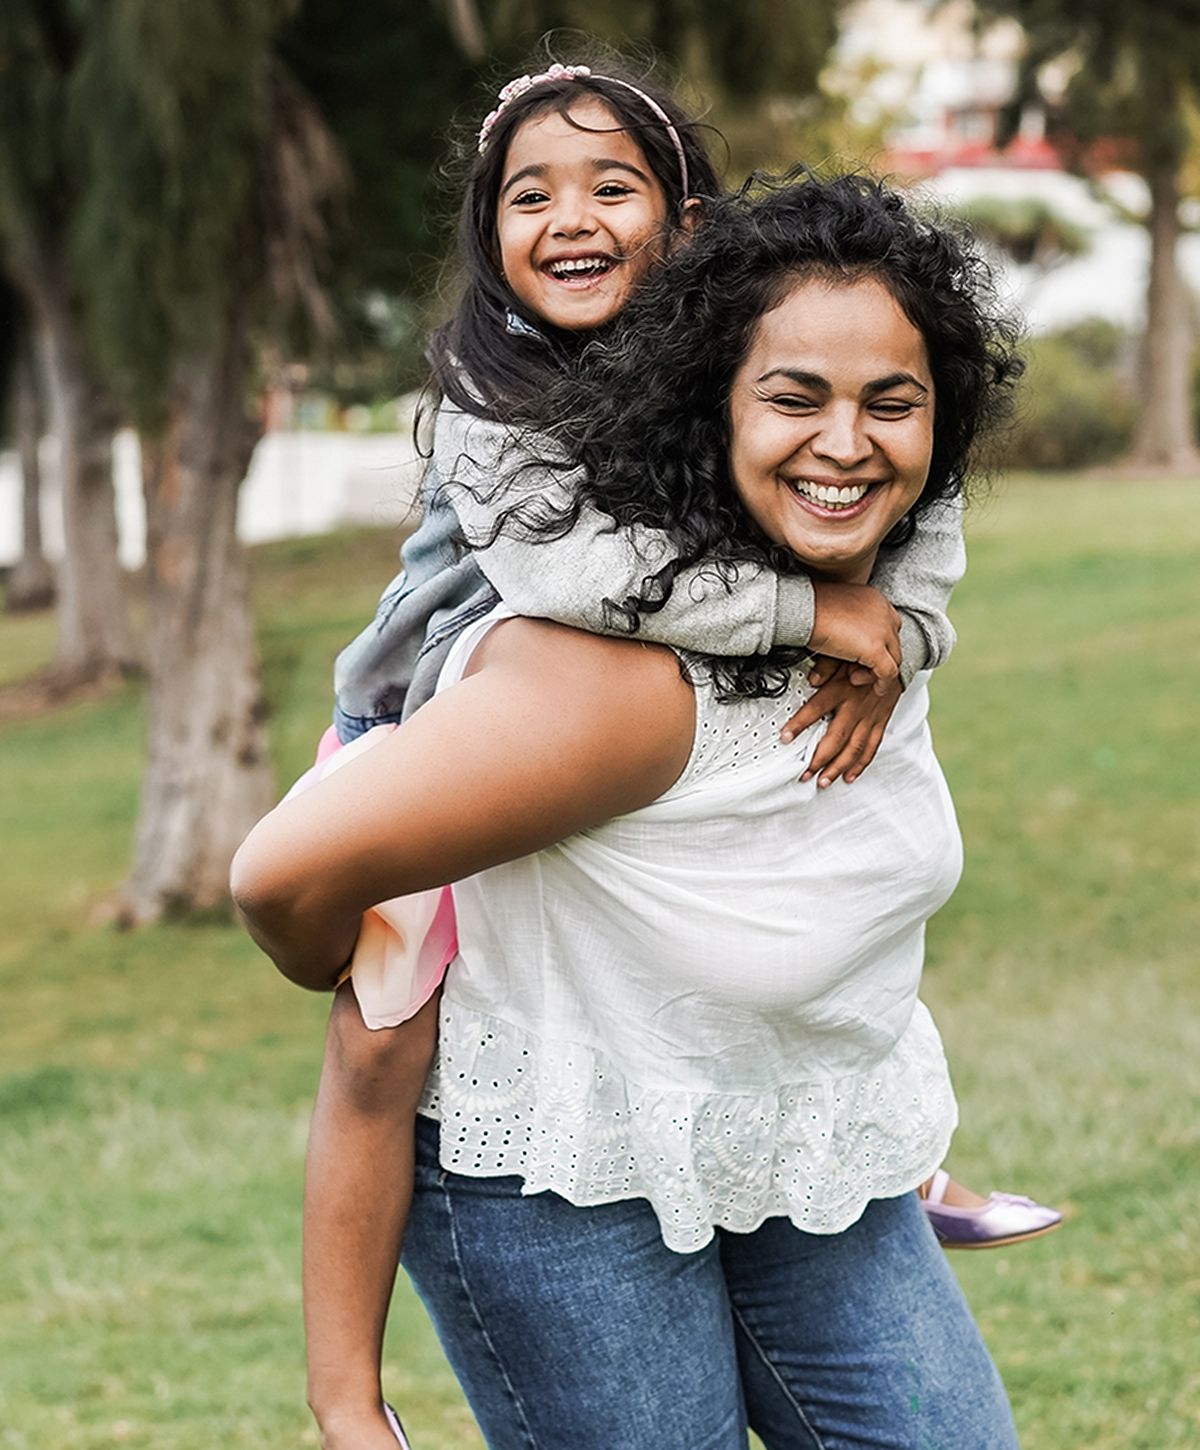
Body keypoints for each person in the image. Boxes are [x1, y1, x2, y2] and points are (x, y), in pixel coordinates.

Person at [234, 170, 1034, 1447]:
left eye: (895, 403)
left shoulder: (873, 605)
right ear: (705, 400)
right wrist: (356, 963)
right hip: (564, 1179)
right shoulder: (611, 685)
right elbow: (280, 873)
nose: (847, 443)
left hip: (797, 1147)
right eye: (792, 397)